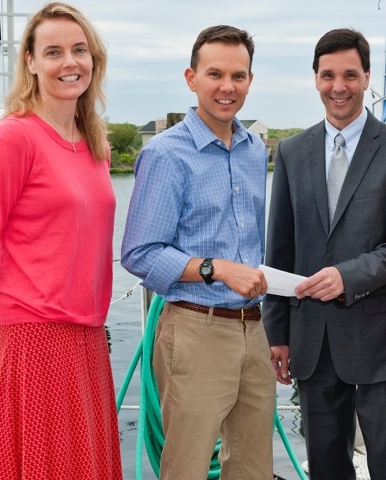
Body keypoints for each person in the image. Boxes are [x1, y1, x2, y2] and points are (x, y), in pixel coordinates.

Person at [0, 3, 122, 479]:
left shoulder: (94, 144)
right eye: (53, 52)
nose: (69, 62)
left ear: (94, 60)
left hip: (88, 338)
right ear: (30, 61)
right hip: (37, 338)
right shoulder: (15, 138)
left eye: (78, 50)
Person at [263, 28, 386, 480]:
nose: (339, 86)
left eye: (350, 75)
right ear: (315, 79)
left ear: (367, 77)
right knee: (327, 469)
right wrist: (278, 331)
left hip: (381, 339)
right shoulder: (293, 152)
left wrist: (346, 276)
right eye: (328, 75)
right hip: (311, 340)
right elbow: (281, 249)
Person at [121, 25, 275, 480]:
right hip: (194, 331)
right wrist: (217, 269)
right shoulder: (167, 154)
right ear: (192, 78)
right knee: (186, 468)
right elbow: (139, 253)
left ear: (250, 80)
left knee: (252, 467)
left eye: (239, 76)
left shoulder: (253, 149)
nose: (227, 87)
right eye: (215, 74)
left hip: (254, 330)